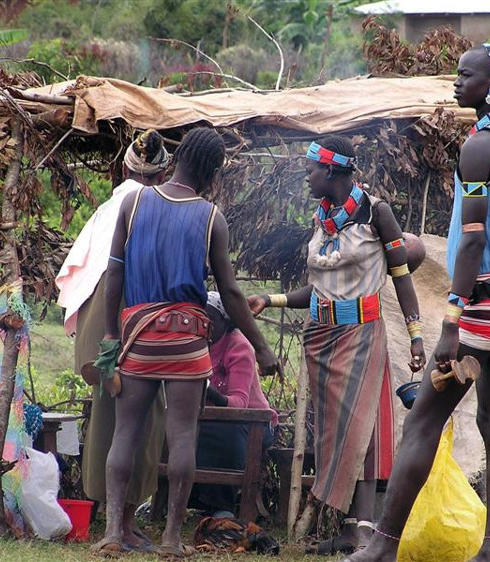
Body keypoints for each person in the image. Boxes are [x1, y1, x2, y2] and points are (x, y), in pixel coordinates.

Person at [346, 43, 490, 562]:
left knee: (423, 421)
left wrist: (452, 320)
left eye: (465, 74)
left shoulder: (480, 147)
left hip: (482, 305)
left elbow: (473, 242)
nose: (456, 82)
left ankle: (382, 547)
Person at [91, 127, 280, 558]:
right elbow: (230, 292)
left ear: (176, 160)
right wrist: (262, 347)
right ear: (213, 173)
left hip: (139, 335)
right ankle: (172, 539)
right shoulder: (212, 218)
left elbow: (114, 273)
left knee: (126, 433)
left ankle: (113, 533)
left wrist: (110, 335)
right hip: (188, 341)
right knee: (181, 436)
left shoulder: (133, 203)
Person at [249, 135, 426, 555]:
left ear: (331, 170)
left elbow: (402, 277)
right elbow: (318, 291)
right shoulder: (323, 218)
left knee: (362, 429)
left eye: (311, 169)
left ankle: (364, 530)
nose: (306, 177)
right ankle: (348, 530)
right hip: (321, 338)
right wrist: (270, 300)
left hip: (361, 335)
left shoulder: (377, 213)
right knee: (332, 434)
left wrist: (416, 335)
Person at [55, 129, 170, 552]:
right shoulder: (151, 206)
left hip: (99, 324)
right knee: (144, 418)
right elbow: (130, 272)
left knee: (109, 418)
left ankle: (113, 523)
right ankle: (121, 525)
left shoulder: (107, 207)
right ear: (163, 174)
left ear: (124, 167)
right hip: (127, 317)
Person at [188, 291, 279, 514]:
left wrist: (207, 390)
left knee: (223, 432)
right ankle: (187, 500)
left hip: (254, 422)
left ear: (226, 321)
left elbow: (239, 404)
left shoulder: (239, 346)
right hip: (210, 418)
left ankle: (220, 505)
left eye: (210, 318)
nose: (205, 324)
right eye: (199, 317)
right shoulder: (194, 343)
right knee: (179, 429)